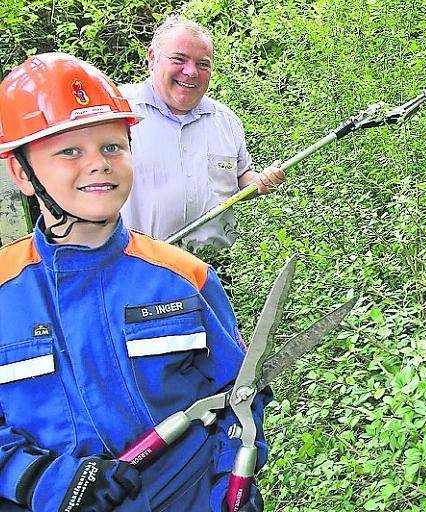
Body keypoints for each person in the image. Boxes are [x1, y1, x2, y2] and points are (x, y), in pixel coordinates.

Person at [0, 54, 267, 511]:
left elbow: (239, 393)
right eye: (69, 151)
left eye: (111, 147)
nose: (99, 164)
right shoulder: (7, 292)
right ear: (23, 173)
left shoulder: (183, 276)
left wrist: (231, 487)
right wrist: (44, 481)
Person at [120, 15, 286, 253]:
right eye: (179, 59)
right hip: (139, 266)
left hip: (213, 267)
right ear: (152, 58)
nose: (191, 72)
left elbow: (241, 178)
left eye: (203, 64)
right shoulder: (117, 113)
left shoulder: (226, 121)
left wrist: (259, 182)